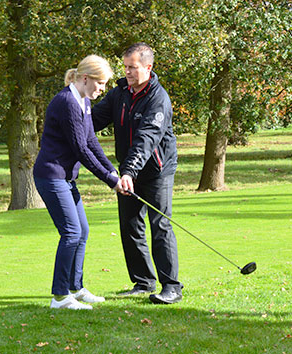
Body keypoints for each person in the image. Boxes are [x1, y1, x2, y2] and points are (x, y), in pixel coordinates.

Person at [92, 42, 183, 304]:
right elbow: (95, 118)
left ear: (148, 67)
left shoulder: (158, 98)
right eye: (125, 67)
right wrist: (71, 119)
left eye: (133, 67)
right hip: (129, 171)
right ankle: (143, 282)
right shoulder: (120, 93)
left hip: (157, 170)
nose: (128, 72)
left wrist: (129, 170)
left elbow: (146, 139)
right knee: (130, 225)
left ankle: (171, 287)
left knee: (160, 225)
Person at [33, 55, 124, 310]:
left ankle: (76, 287)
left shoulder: (82, 100)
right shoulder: (66, 103)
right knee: (71, 233)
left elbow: (91, 141)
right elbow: (81, 150)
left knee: (81, 231)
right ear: (86, 78)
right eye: (101, 83)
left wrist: (111, 170)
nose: (103, 89)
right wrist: (110, 181)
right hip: (51, 176)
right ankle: (60, 297)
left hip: (66, 178)